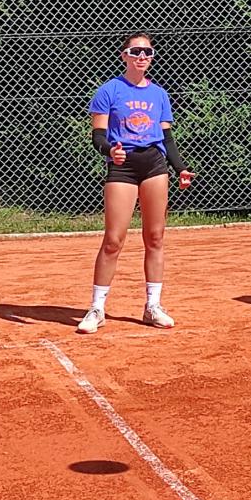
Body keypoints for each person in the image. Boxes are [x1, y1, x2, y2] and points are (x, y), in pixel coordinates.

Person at [77, 32, 195, 334]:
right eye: (136, 51)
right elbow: (98, 135)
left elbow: (166, 138)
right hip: (123, 167)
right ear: (124, 56)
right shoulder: (109, 90)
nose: (142, 56)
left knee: (155, 237)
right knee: (113, 240)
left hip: (154, 165)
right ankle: (97, 308)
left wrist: (180, 167)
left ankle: (152, 306)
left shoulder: (159, 94)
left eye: (148, 52)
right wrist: (110, 151)